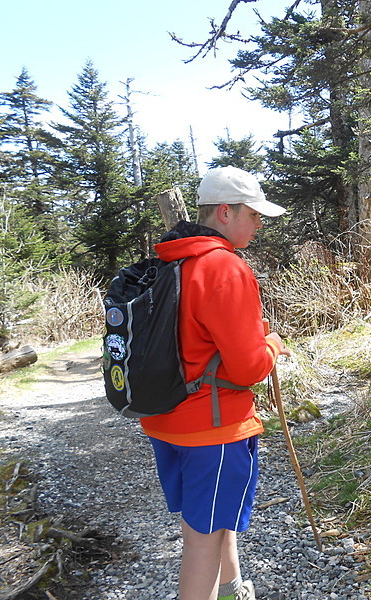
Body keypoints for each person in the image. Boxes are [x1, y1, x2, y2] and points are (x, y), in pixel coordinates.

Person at [140, 166, 291, 600]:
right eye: (254, 214)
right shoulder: (223, 267)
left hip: (165, 418)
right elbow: (247, 369)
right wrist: (272, 346)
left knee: (211, 517)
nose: (260, 223)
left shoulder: (173, 259)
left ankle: (231, 588)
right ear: (225, 212)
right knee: (202, 535)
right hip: (212, 427)